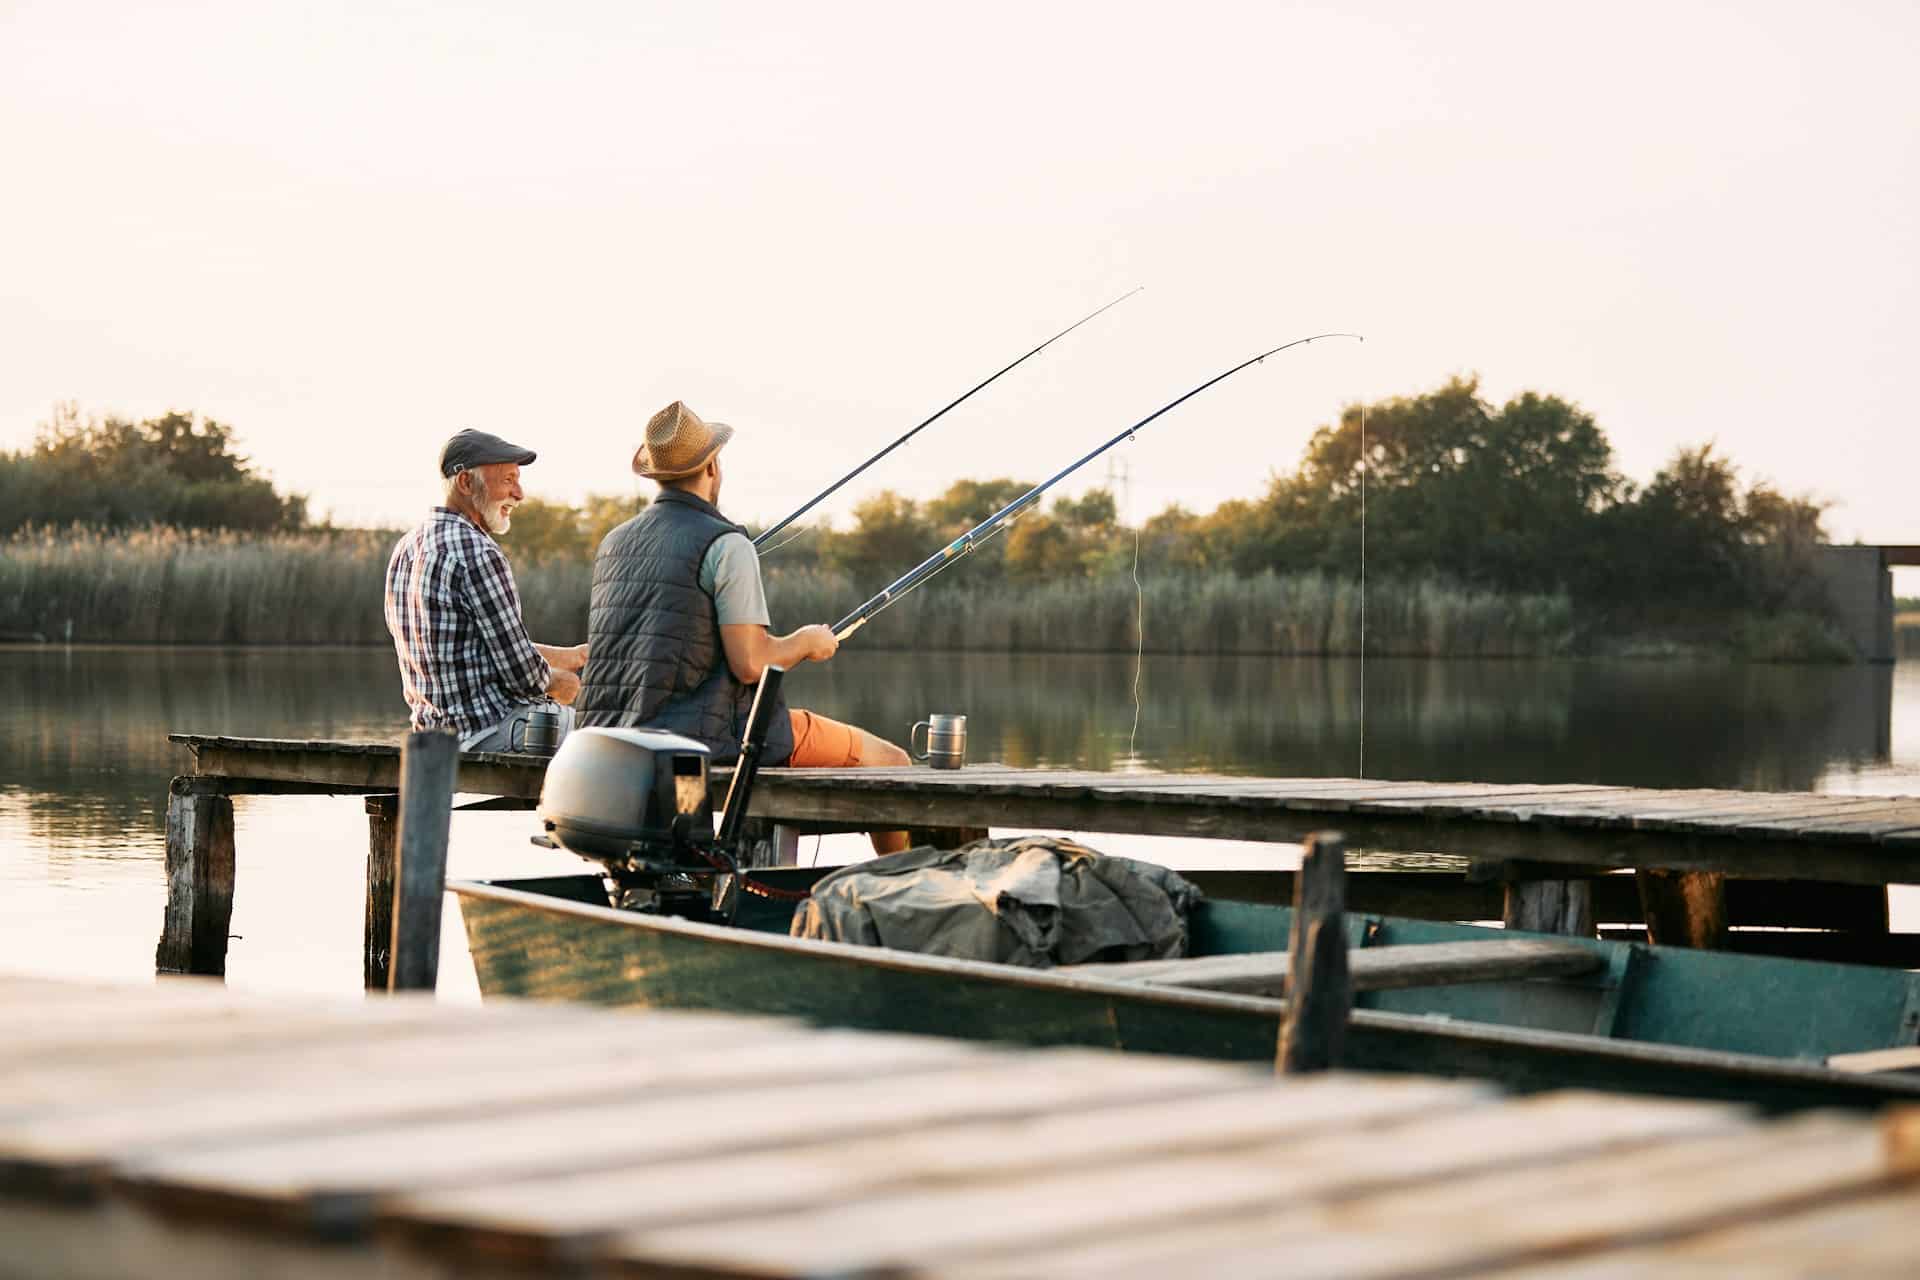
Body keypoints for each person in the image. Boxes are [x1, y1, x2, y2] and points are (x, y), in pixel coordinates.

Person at [578, 400, 910, 854]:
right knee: (892, 763)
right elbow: (750, 662)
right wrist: (806, 642)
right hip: (707, 742)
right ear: (712, 466)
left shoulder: (613, 543)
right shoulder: (728, 544)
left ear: (655, 475)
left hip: (616, 739)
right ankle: (898, 894)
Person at [384, 428, 588, 752]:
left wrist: (571, 656)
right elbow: (525, 679)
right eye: (508, 480)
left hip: (432, 740)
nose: (519, 493)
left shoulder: (406, 549)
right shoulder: (478, 552)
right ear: (466, 483)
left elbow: (473, 645)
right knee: (611, 740)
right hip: (493, 733)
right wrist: (561, 682)